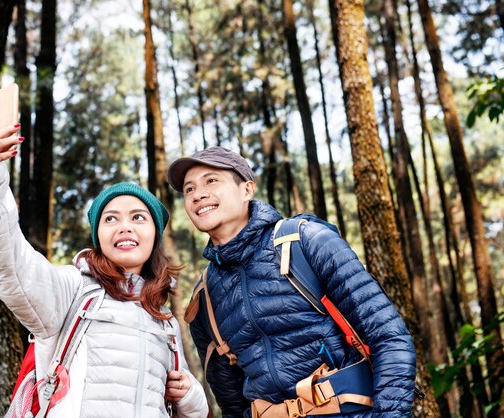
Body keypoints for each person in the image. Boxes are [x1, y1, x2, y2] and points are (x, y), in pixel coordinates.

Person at [0, 119, 209, 418]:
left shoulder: (164, 319)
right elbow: (8, 264)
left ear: (154, 236)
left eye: (138, 218)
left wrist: (192, 397)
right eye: (111, 219)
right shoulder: (72, 289)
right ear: (98, 237)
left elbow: (183, 407)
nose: (124, 227)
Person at [166, 146, 417, 418]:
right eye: (189, 189)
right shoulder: (205, 298)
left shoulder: (306, 241)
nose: (198, 194)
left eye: (211, 180)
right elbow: (232, 404)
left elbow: (389, 338)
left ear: (247, 190)